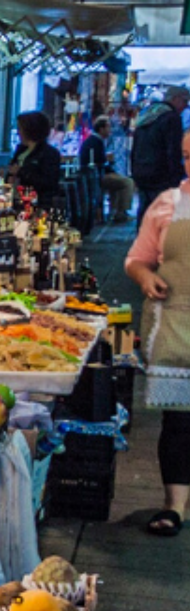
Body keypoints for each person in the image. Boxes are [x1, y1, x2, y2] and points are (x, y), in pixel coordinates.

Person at [125, 130, 190, 534]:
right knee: (179, 421)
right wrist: (145, 277)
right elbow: (136, 258)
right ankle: (175, 506)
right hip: (177, 328)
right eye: (186, 156)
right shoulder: (167, 205)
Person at [130, 86, 189, 220]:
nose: (185, 107)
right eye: (185, 101)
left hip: (141, 171)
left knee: (145, 211)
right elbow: (173, 151)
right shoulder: (171, 118)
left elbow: (135, 147)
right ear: (176, 99)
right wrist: (176, 177)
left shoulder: (148, 115)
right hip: (160, 175)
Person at [81, 115, 136, 222]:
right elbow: (100, 162)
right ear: (101, 129)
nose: (110, 131)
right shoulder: (96, 142)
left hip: (94, 174)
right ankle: (122, 211)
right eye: (108, 127)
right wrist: (109, 162)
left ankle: (115, 211)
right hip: (96, 175)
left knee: (117, 182)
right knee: (128, 182)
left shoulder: (93, 141)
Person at [10, 112, 66, 215]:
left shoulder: (49, 154)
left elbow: (49, 182)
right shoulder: (21, 150)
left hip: (39, 202)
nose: (18, 133)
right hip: (17, 199)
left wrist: (21, 172)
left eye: (20, 129)